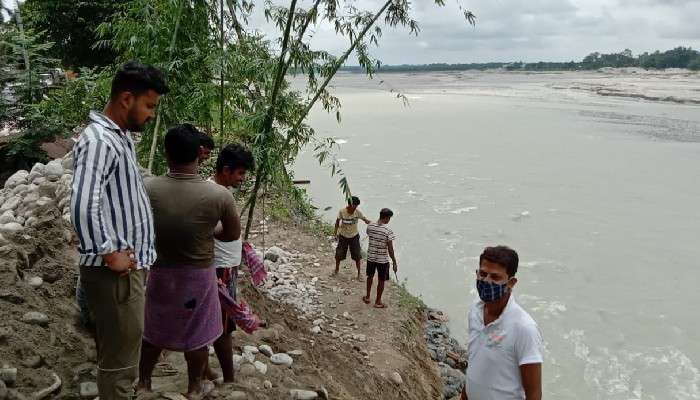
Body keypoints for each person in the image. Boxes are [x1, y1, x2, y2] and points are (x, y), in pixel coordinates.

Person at [70, 61, 168, 400]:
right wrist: (110, 252)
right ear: (127, 98)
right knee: (121, 363)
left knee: (119, 351)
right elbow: (84, 203)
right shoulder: (100, 141)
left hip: (125, 272)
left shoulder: (118, 137)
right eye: (149, 105)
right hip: (116, 276)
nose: (151, 114)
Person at [137, 124, 239, 397]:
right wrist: (208, 230)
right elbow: (231, 235)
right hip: (198, 275)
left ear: (166, 153)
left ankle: (143, 382)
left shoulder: (147, 188)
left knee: (153, 328)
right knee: (197, 333)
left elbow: (138, 227)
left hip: (160, 271)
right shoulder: (219, 195)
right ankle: (194, 386)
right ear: (199, 153)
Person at [461, 246, 543, 400]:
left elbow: (534, 393)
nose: (486, 281)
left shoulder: (524, 328)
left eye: (495, 277)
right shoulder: (475, 311)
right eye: (483, 274)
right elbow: (475, 364)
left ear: (511, 282)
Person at [207, 144, 254, 384]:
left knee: (211, 319)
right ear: (226, 170)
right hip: (220, 268)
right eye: (240, 173)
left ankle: (205, 369)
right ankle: (229, 379)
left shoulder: (217, 190)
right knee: (224, 326)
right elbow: (215, 229)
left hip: (224, 265)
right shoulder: (216, 194)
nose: (242, 179)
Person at [362, 208, 397, 308]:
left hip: (371, 257)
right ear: (386, 218)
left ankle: (368, 297)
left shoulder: (370, 226)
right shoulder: (387, 231)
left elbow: (370, 235)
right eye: (389, 218)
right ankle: (378, 301)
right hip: (382, 260)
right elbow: (390, 249)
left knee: (370, 276)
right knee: (381, 280)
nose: (389, 220)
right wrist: (394, 261)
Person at [334, 196, 371, 280]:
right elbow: (337, 223)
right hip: (343, 236)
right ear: (350, 205)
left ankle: (359, 274)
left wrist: (370, 223)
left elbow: (364, 219)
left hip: (354, 237)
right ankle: (336, 270)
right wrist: (335, 234)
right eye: (355, 206)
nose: (355, 208)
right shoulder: (342, 212)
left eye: (357, 206)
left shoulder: (357, 212)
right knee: (339, 254)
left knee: (357, 255)